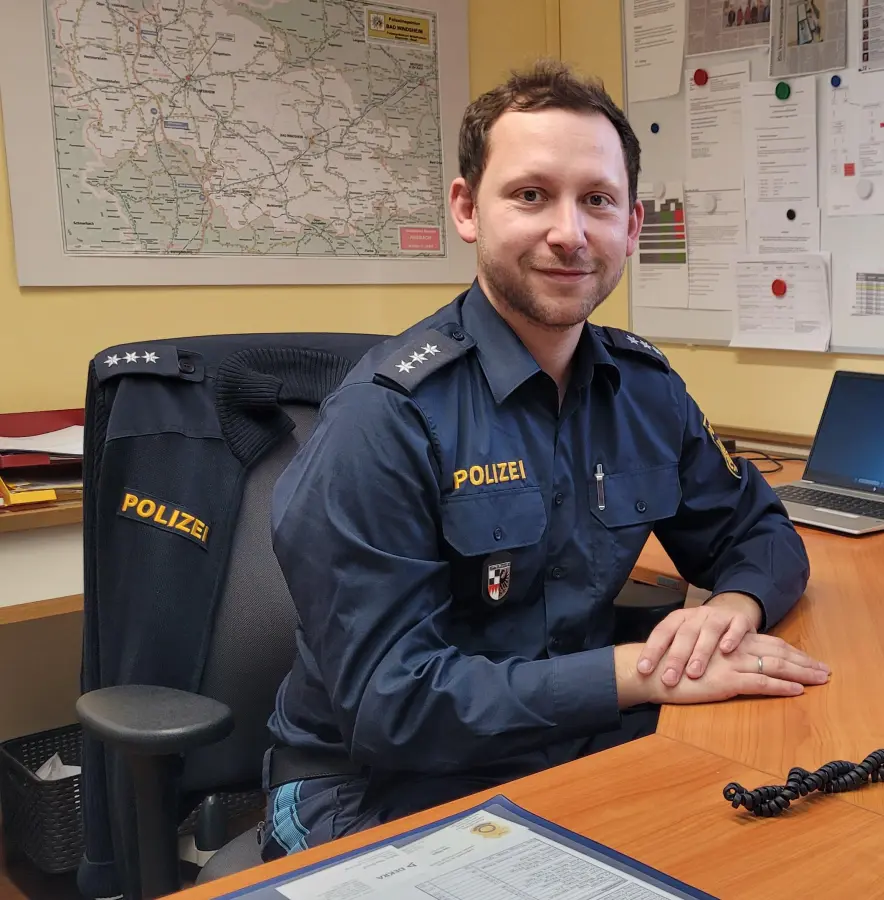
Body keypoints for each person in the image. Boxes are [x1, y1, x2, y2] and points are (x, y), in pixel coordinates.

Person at [260, 60, 827, 858]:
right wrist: (639, 673)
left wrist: (733, 612)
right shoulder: (385, 418)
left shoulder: (644, 390)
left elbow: (761, 536)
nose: (570, 232)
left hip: (565, 748)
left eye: (597, 200)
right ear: (468, 209)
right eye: (531, 195)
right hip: (370, 784)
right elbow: (392, 707)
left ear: (631, 225)